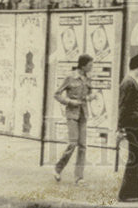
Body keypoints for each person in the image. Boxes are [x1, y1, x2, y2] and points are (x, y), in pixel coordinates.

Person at [53, 54, 93, 184]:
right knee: (72, 143)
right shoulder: (70, 77)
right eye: (90, 65)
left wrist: (91, 97)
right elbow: (57, 94)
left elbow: (87, 94)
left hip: (83, 114)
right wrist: (70, 101)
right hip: (72, 114)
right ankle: (58, 168)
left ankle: (79, 177)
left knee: (82, 146)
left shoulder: (88, 78)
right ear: (83, 65)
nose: (92, 67)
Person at [118, 53, 138, 203]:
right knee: (135, 158)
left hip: (136, 124)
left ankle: (133, 192)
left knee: (136, 158)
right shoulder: (129, 82)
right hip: (133, 125)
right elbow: (123, 106)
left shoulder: (132, 81)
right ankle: (126, 193)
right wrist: (120, 128)